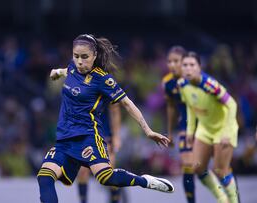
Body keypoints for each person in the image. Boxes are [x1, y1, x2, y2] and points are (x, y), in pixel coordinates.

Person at [37, 34, 174, 203]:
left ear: (94, 56)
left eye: (85, 57)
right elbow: (69, 71)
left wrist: (148, 130)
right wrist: (57, 72)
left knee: (105, 177)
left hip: (88, 137)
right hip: (65, 140)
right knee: (44, 177)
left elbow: (127, 103)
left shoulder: (102, 79)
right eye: (76, 56)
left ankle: (144, 181)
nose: (80, 61)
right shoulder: (73, 66)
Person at [51, 67, 123, 202]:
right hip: (84, 133)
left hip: (103, 133)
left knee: (109, 171)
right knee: (83, 171)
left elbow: (115, 110)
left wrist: (116, 136)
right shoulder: (78, 81)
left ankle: (116, 199)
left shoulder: (105, 81)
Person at [179, 51, 239, 203]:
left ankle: (233, 200)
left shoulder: (210, 85)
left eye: (192, 65)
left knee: (221, 171)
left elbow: (231, 104)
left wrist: (226, 132)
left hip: (224, 128)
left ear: (199, 67)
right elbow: (190, 107)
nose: (188, 68)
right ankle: (221, 199)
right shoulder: (182, 84)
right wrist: (190, 131)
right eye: (185, 65)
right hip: (205, 129)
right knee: (198, 168)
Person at [162, 46, 195, 203]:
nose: (172, 65)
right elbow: (171, 107)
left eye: (176, 61)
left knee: (215, 168)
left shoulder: (195, 79)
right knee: (187, 165)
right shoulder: (168, 83)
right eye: (169, 61)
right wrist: (169, 131)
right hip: (185, 125)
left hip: (205, 125)